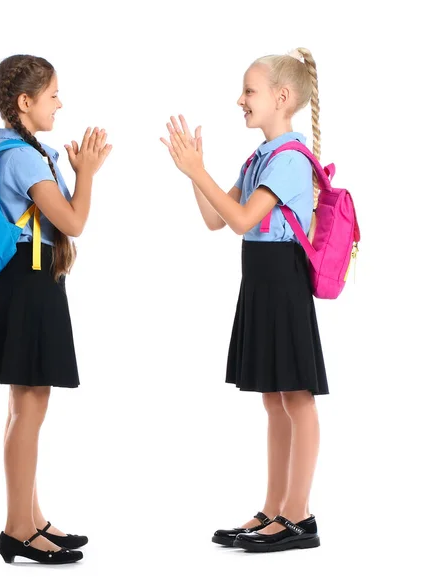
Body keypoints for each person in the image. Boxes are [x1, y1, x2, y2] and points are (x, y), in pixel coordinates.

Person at [160, 47, 327, 553]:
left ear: (282, 98)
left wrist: (199, 170)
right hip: (259, 282)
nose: (240, 100)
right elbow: (216, 219)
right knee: (274, 400)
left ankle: (299, 515)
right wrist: (195, 172)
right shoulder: (260, 158)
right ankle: (274, 509)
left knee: (296, 397)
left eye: (249, 91)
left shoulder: (293, 161)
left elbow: (241, 219)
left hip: (283, 282)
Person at [0, 54, 112, 564]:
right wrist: (88, 173)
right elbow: (72, 222)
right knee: (29, 409)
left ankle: (32, 520)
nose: (59, 102)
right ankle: (17, 529)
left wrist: (73, 169)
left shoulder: (15, 150)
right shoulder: (26, 158)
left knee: (23, 408)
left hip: (25, 283)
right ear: (25, 103)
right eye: (52, 94)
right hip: (29, 286)